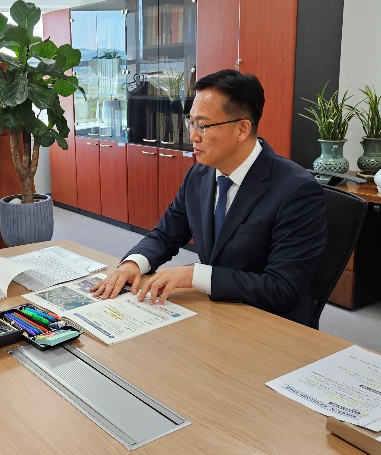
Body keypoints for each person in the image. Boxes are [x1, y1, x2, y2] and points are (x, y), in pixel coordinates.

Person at [90, 69, 327, 326]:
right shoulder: (200, 175)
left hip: (273, 325)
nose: (193, 136)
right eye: (191, 123)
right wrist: (133, 264)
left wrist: (195, 275)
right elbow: (166, 235)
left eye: (203, 125)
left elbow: (282, 288)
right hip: (218, 314)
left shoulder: (297, 190)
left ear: (242, 129)